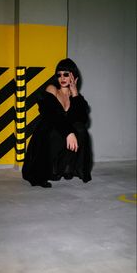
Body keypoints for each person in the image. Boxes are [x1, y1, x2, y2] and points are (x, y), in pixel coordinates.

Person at [22, 58, 92, 188]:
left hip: (63, 135)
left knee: (80, 129)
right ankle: (50, 170)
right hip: (47, 133)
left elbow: (82, 118)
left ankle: (66, 168)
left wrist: (75, 93)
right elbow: (52, 115)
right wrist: (69, 132)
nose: (62, 78)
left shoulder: (75, 97)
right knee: (56, 132)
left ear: (73, 76)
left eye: (66, 74)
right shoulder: (52, 89)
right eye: (59, 74)